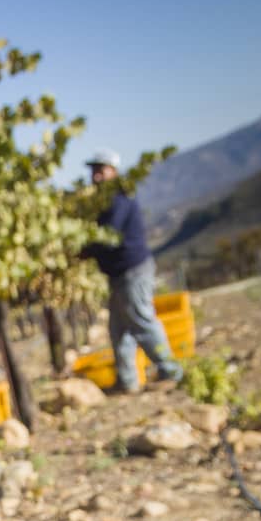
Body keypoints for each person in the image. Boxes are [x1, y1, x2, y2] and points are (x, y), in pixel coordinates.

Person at [82, 149, 183, 394]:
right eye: (94, 170)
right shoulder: (104, 202)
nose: (96, 176)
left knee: (141, 320)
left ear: (113, 172)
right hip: (118, 273)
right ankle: (127, 381)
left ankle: (171, 371)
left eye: (101, 170)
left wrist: (82, 249)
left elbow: (109, 236)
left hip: (132, 269)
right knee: (118, 329)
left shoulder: (118, 200)